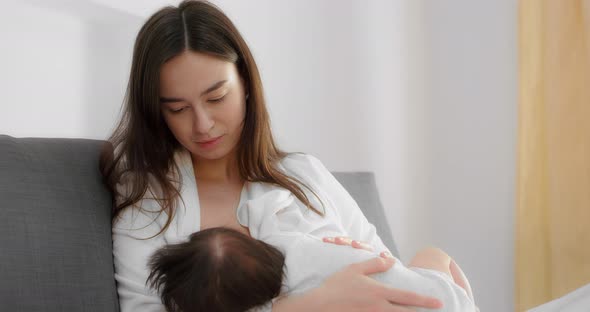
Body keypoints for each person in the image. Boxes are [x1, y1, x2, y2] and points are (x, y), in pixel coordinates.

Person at [102, 0, 471, 311]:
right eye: (178, 109)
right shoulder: (149, 200)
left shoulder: (304, 174)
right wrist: (308, 305)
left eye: (216, 98)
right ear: (156, 110)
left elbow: (384, 269)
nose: (203, 125)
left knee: (435, 258)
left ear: (246, 84)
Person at [146, 177, 478, 312]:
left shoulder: (288, 295)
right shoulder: (281, 239)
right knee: (432, 256)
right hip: (436, 297)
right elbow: (268, 205)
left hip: (405, 288)